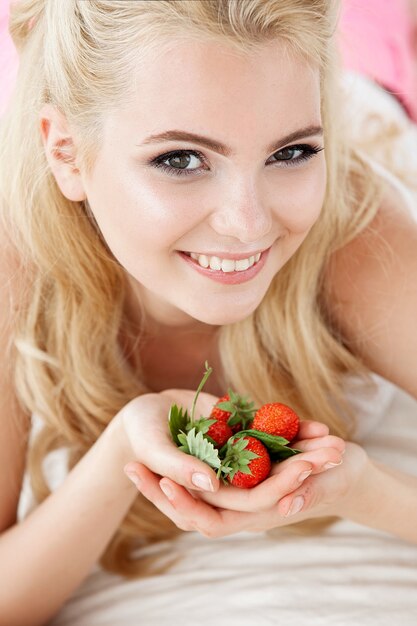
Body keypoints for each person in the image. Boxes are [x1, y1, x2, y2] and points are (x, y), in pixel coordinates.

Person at [0, 1, 416, 624]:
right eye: (180, 160)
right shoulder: (15, 266)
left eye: (292, 153)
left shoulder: (356, 230)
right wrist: (122, 454)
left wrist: (359, 489)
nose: (247, 224)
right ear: (66, 154)